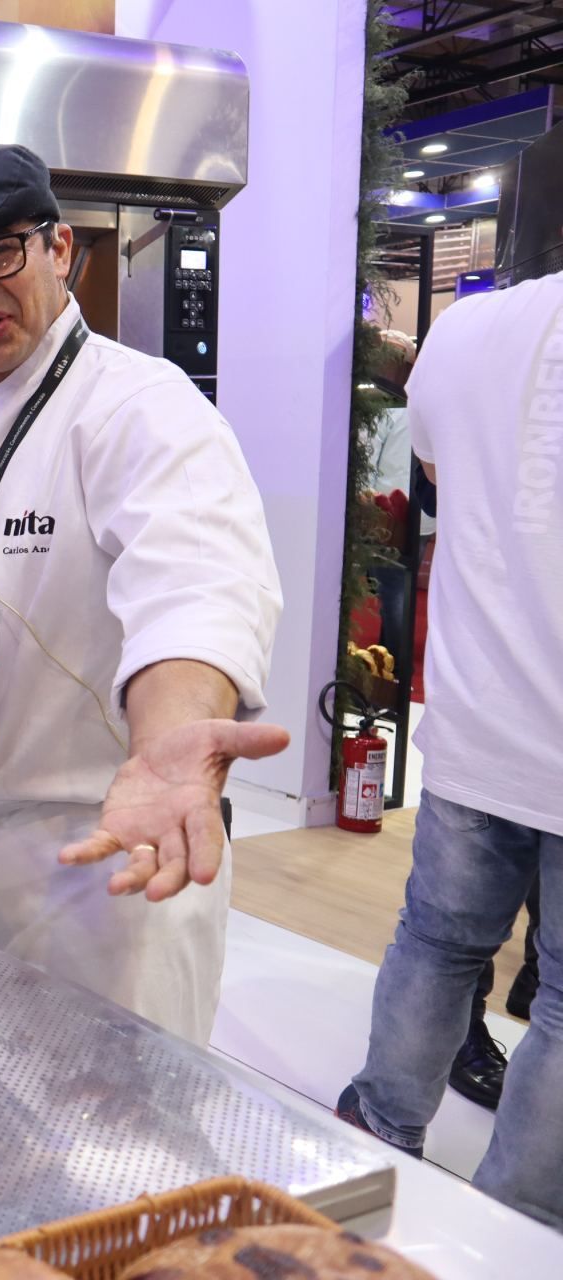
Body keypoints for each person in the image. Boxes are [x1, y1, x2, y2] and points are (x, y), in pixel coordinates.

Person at [0, 144, 286, 1044]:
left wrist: (170, 747)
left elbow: (194, 584)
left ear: (59, 249)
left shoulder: (143, 407)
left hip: (108, 868)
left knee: (116, 1160)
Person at [336, 264, 562, 1230]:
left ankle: (380, 1130)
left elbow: (427, 463)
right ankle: (515, 1216)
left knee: (437, 940)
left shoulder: (472, 331)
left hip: (480, 713)